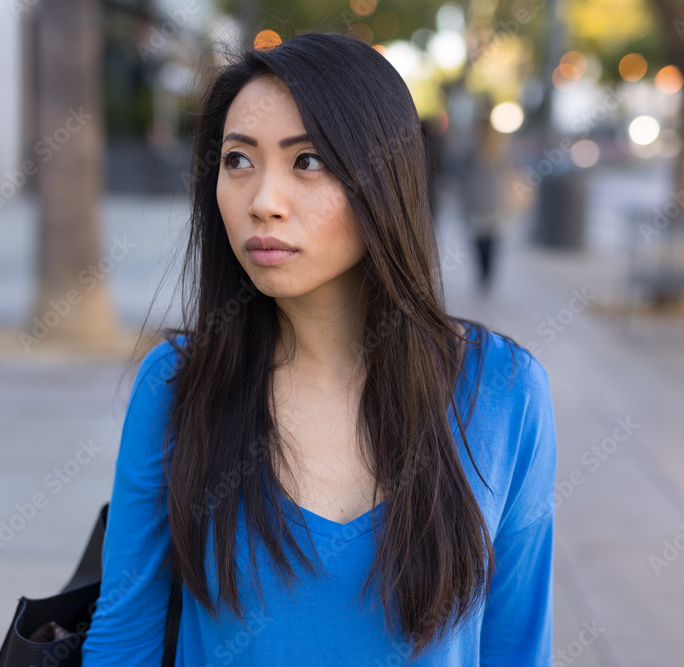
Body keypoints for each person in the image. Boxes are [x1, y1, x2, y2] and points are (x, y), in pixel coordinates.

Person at [82, 32, 556, 666]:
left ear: (384, 178)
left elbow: (515, 646)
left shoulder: (504, 388)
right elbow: (122, 643)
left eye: (307, 161)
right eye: (238, 160)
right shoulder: (177, 385)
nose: (263, 203)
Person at [459, 114, 508, 295]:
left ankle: (483, 274)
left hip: (477, 201)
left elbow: (460, 171)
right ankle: (487, 275)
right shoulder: (498, 146)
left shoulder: (471, 147)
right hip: (493, 201)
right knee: (491, 241)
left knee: (479, 241)